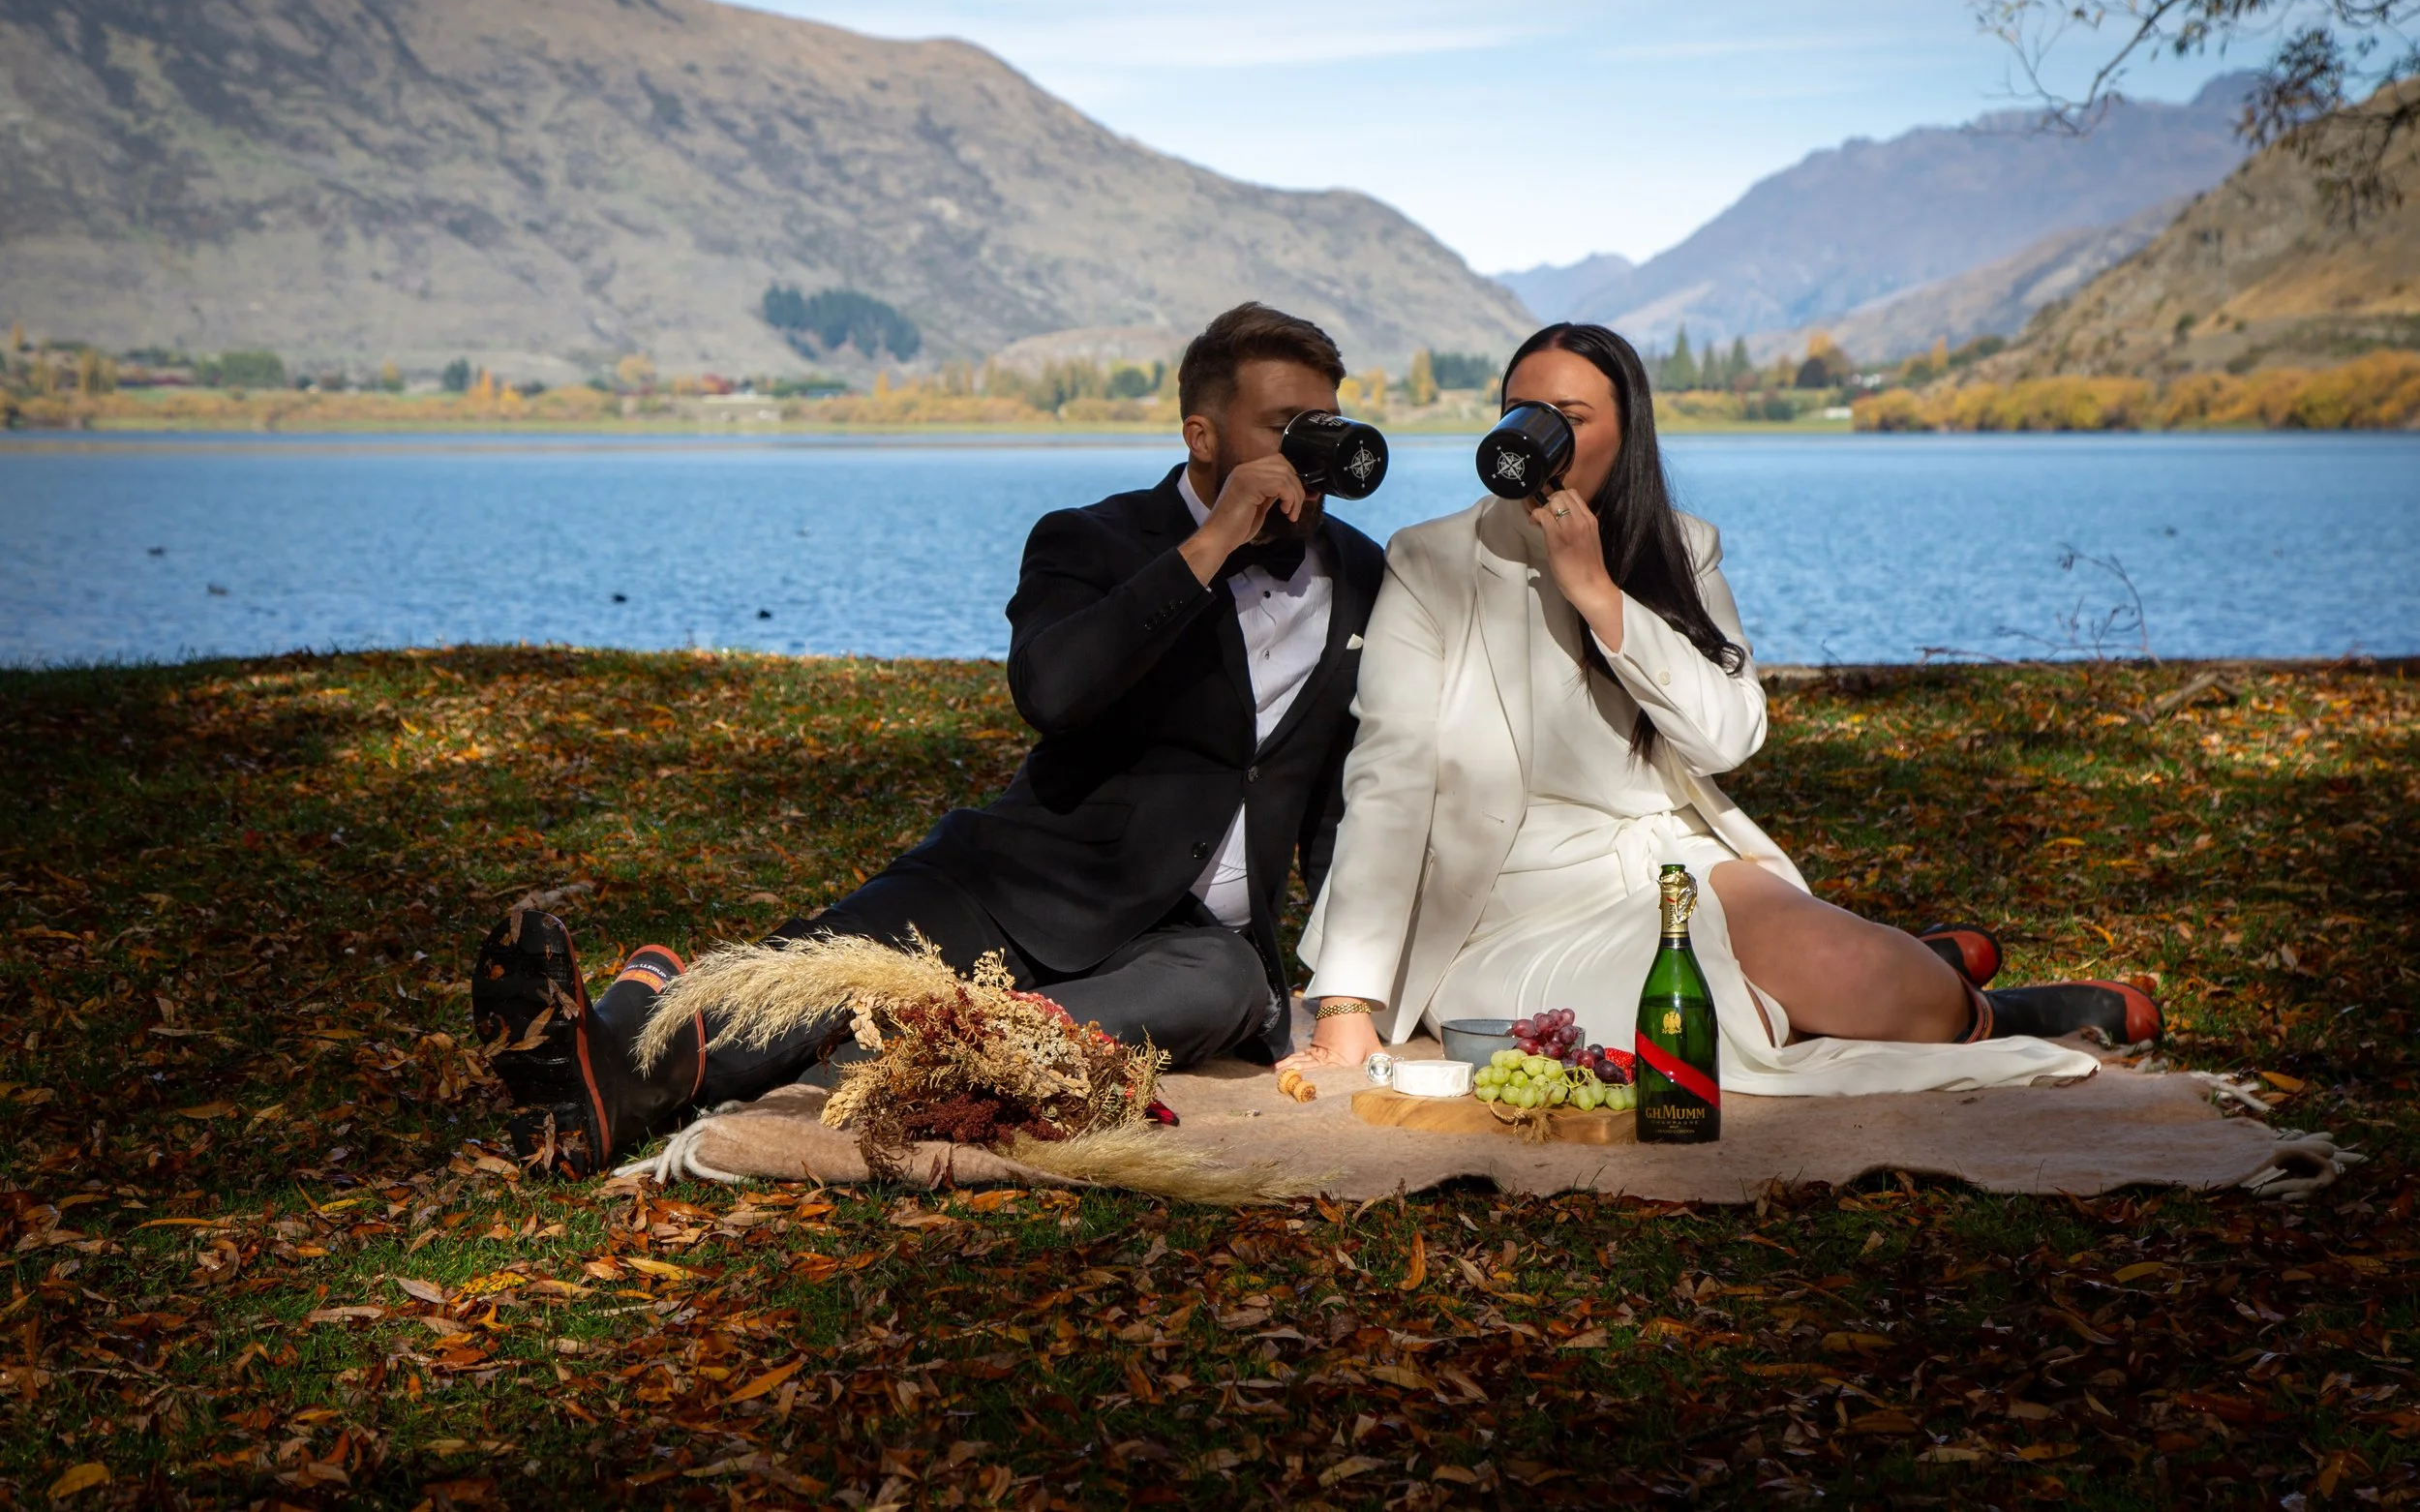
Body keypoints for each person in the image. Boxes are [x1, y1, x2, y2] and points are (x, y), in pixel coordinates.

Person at [473, 303, 1387, 1174]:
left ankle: (911, 1056)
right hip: (1025, 882)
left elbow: (1347, 791)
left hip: (1193, 944)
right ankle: (608, 1070)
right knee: (820, 975)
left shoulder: (1357, 571)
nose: (1315, 451)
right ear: (1201, 435)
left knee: (1224, 990)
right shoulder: (1091, 538)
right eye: (1284, 426)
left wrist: (1348, 981)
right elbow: (1053, 691)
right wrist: (1214, 541)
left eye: (1327, 424)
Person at [1280, 322, 2160, 1091]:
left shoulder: (1679, 549)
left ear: (1626, 436)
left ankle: (1959, 997)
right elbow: (1390, 777)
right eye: (1519, 410)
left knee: (1905, 1001)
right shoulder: (1432, 561)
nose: (1535, 435)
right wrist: (1347, 998)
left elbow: (1728, 739)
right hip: (1509, 907)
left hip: (1671, 861)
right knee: (1702, 1036)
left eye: (1571, 419)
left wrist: (1601, 597)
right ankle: (1911, 983)